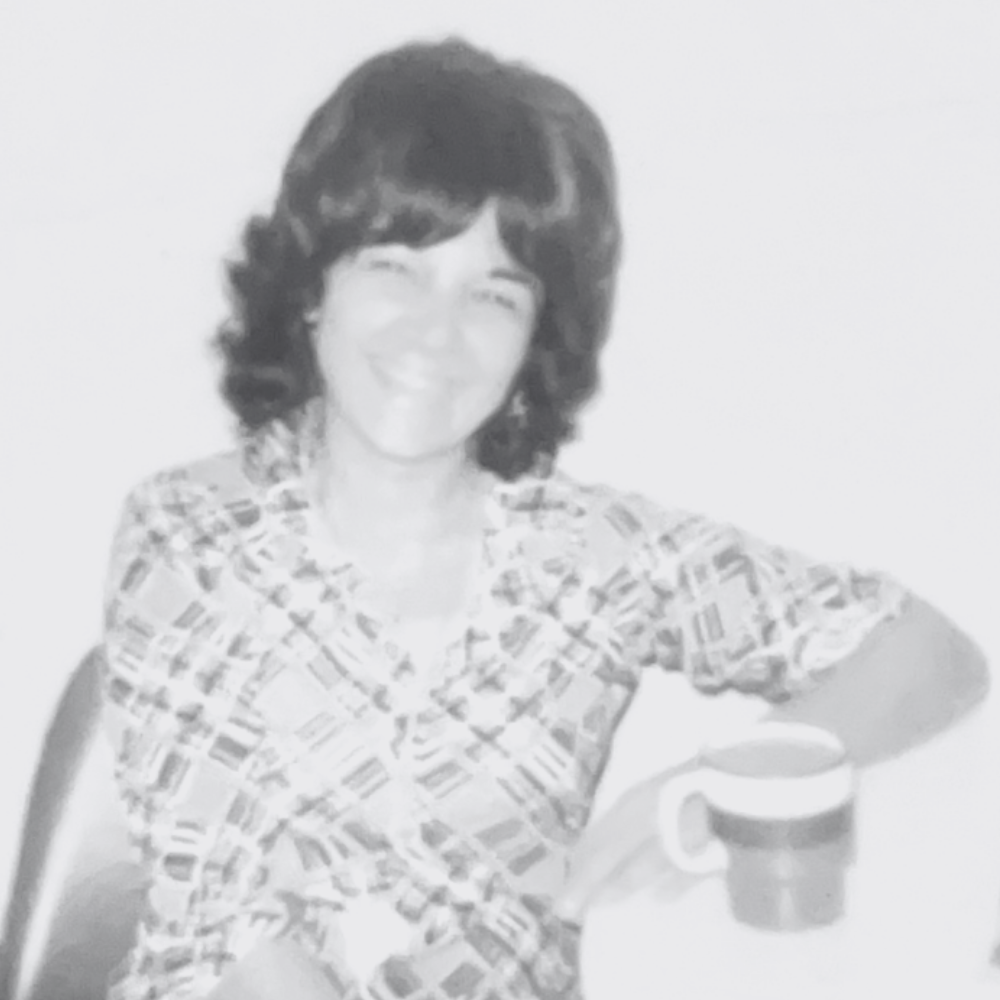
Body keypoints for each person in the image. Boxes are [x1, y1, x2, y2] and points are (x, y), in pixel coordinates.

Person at [98, 36, 989, 1000]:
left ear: (533, 339)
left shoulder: (592, 559)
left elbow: (926, 651)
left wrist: (713, 785)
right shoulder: (189, 533)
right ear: (314, 287)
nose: (437, 333)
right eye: (395, 269)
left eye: (493, 294)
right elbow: (235, 936)